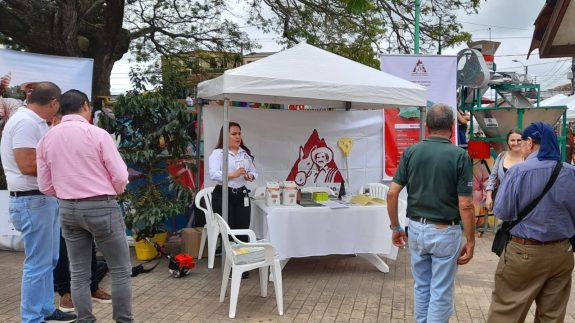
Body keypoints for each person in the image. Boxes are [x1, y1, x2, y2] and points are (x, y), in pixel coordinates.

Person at [36, 89, 133, 322]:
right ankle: (123, 320)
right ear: (86, 106)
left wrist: (65, 194)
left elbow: (44, 184)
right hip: (101, 206)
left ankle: (85, 319)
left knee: (78, 273)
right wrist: (115, 191)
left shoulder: (46, 138)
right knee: (120, 269)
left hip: (68, 209)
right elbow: (120, 175)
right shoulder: (98, 134)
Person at [386, 103, 475, 323]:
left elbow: (392, 193)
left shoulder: (412, 152)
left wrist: (396, 227)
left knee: (422, 286)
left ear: (426, 127)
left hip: (416, 229)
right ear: (453, 128)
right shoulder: (459, 155)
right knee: (441, 291)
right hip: (445, 230)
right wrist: (471, 240)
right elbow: (465, 204)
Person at [0, 82, 76, 322]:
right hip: (32, 201)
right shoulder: (25, 122)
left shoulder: (35, 122)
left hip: (40, 200)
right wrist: (63, 168)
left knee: (48, 260)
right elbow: (27, 165)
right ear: (53, 102)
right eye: (58, 106)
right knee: (38, 263)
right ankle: (32, 317)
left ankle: (44, 310)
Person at [487, 122, 575, 323]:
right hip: (562, 253)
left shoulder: (519, 171)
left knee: (506, 312)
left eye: (523, 142)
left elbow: (502, 211)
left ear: (530, 142)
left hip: (524, 253)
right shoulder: (571, 172)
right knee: (551, 317)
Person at [47, 111, 112, 313]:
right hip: (62, 200)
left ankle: (92, 287)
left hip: (87, 200)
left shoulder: (91, 134)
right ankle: (65, 292)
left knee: (89, 247)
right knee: (63, 248)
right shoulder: (50, 136)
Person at [208, 121, 257, 241]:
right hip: (224, 194)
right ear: (225, 136)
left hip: (242, 194)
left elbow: (254, 171)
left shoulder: (244, 153)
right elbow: (213, 174)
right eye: (234, 134)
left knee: (243, 226)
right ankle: (229, 257)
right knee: (228, 228)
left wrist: (250, 176)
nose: (238, 137)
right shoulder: (218, 153)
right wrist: (232, 175)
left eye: (239, 133)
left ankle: (241, 254)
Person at [484, 128, 524, 210]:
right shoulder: (501, 156)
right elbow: (492, 177)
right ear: (508, 142)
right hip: (504, 202)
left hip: (523, 202)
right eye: (512, 140)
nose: (516, 143)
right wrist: (488, 197)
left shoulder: (528, 158)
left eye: (519, 140)